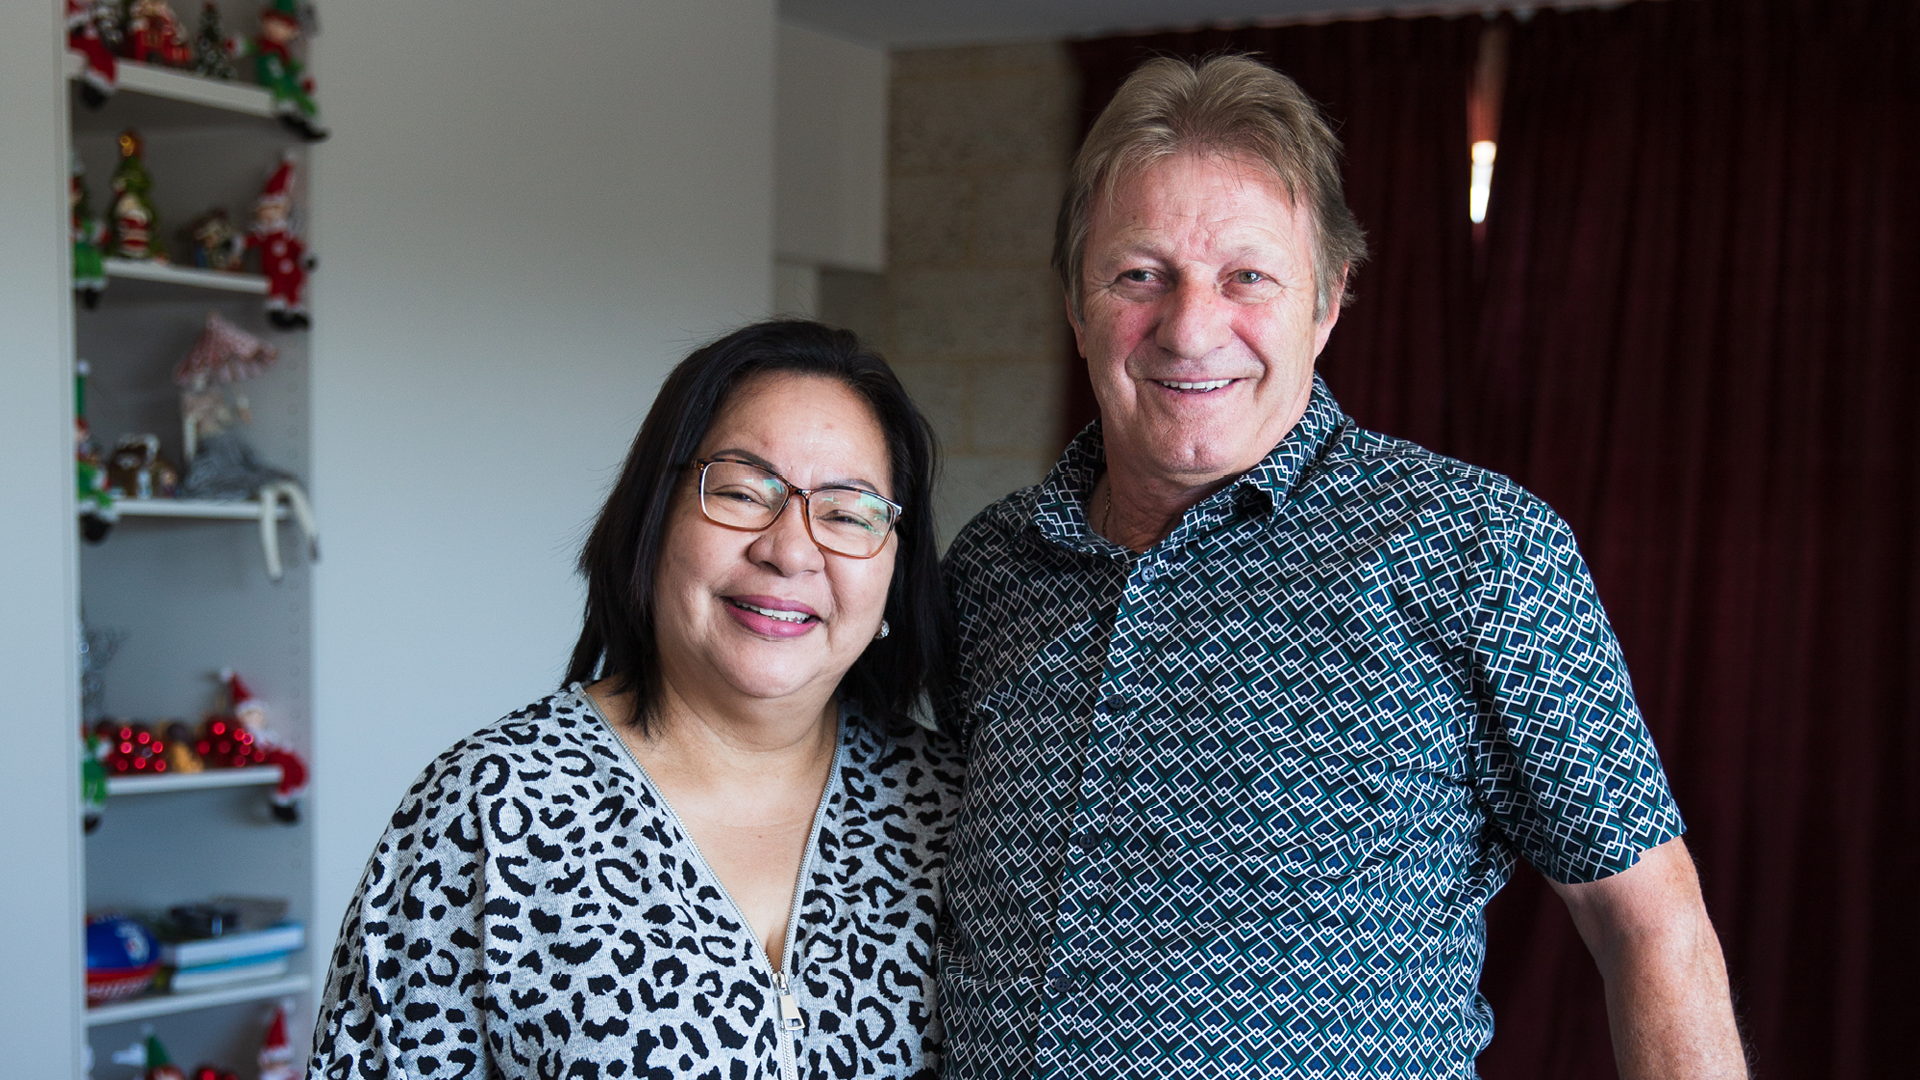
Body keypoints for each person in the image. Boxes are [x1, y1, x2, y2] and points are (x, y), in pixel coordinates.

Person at [935, 57, 1747, 1079]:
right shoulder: (991, 567)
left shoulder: (1477, 547)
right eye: (1139, 274)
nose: (1190, 328)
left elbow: (1652, 925)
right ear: (1075, 304)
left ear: (1327, 300)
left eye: (1248, 277)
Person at [310, 321, 962, 1080]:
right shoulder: (491, 808)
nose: (789, 551)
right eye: (742, 492)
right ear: (655, 516)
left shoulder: (958, 808)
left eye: (848, 513)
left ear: (895, 569)